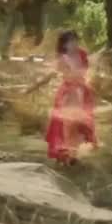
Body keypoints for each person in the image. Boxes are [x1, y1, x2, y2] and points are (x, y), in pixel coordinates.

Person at [45, 30, 98, 165]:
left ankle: (73, 153)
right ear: (64, 44)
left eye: (75, 40)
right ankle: (66, 154)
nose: (74, 43)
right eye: (70, 41)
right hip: (68, 95)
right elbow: (51, 75)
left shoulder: (82, 54)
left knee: (80, 123)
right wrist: (32, 88)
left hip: (82, 92)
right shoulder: (62, 58)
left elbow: (86, 72)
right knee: (67, 123)